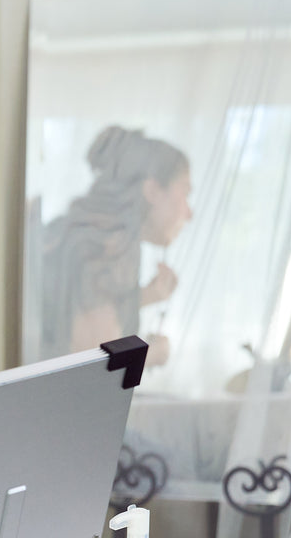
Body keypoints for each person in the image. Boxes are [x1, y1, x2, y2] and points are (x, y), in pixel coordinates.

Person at [39, 125, 192, 364]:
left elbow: (77, 311)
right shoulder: (111, 245)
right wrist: (153, 353)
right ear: (152, 190)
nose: (189, 213)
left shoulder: (88, 232)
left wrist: (146, 296)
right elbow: (93, 364)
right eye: (185, 193)